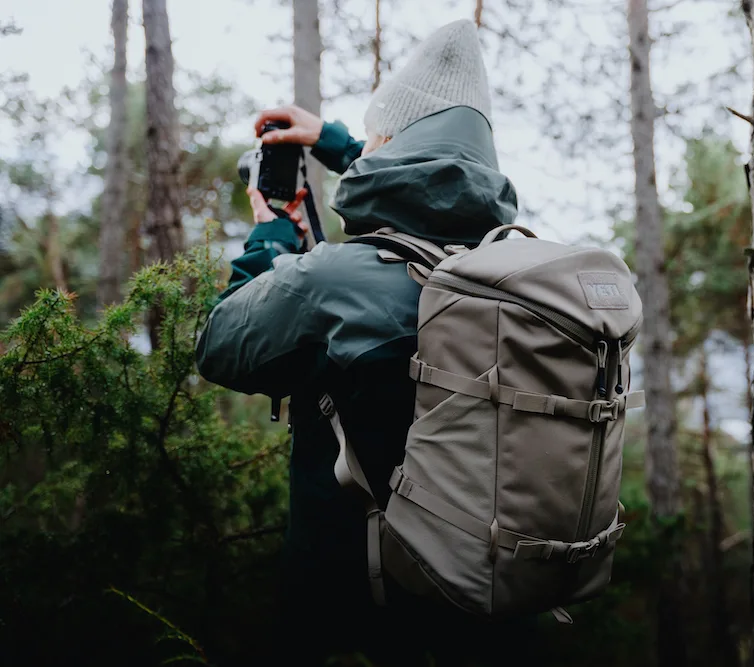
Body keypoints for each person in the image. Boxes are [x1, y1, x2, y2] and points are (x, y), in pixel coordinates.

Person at [196, 18, 533, 667]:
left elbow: (219, 343)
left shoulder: (334, 280)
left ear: (393, 144)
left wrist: (269, 238)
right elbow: (439, 195)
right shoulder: (518, 272)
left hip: (358, 620)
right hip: (496, 608)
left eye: (379, 138)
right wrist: (337, 140)